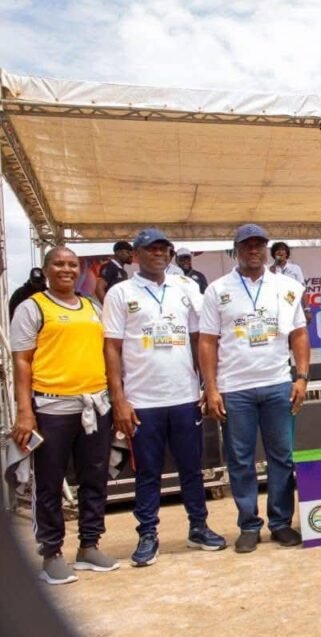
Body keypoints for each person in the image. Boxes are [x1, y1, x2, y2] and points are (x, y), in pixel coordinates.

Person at [103, 228, 228, 567]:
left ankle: (198, 527)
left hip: (184, 396)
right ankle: (147, 534)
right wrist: (119, 399)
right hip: (143, 401)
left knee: (192, 468)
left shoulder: (185, 287)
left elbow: (201, 338)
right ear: (136, 255)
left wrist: (208, 386)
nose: (159, 254)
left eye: (164, 249)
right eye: (151, 249)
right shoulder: (120, 292)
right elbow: (111, 348)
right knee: (147, 472)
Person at [9, 246, 118, 584]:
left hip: (94, 407)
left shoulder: (92, 306)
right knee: (49, 482)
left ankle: (89, 545)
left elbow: (106, 351)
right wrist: (24, 411)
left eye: (72, 264)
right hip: (51, 408)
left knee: (94, 478)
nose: (67, 269)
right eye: (59, 264)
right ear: (46, 269)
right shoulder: (32, 308)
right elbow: (22, 361)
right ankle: (51, 553)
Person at [199, 223, 310, 553]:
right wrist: (211, 388)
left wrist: (302, 377)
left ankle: (280, 523)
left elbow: (299, 334)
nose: (253, 250)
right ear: (236, 250)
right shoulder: (217, 290)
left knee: (282, 457)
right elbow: (207, 342)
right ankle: (249, 525)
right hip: (235, 389)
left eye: (259, 244)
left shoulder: (287, 286)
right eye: (247, 245)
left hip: (278, 384)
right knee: (240, 461)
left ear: (267, 249)